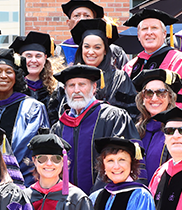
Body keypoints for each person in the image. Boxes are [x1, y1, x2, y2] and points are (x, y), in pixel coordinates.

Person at [51, 64, 137, 195]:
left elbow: (122, 162)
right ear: (65, 89)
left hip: (107, 198)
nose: (76, 90)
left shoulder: (114, 118)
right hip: (67, 204)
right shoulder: (59, 127)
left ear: (94, 88)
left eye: (82, 84)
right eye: (71, 85)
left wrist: (96, 197)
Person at [0, 47, 49, 185]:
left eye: (9, 72)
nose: (3, 76)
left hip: (23, 181)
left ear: (16, 77)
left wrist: (7, 171)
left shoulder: (32, 108)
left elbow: (28, 146)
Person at [133, 69, 182, 184]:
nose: (154, 98)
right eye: (148, 93)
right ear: (142, 99)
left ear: (170, 97)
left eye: (161, 93)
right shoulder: (135, 132)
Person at [122, 9, 182, 108]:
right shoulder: (130, 66)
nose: (149, 33)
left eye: (154, 28)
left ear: (164, 34)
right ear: (138, 36)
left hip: (168, 122)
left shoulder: (180, 61)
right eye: (144, 29)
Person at [70, 18, 138, 119]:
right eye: (87, 47)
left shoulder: (119, 79)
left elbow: (130, 115)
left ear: (105, 50)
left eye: (97, 47)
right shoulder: (69, 77)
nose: (91, 52)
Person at [57, 0, 128, 71]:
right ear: (68, 23)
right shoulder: (60, 50)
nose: (81, 19)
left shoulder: (114, 51)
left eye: (87, 16)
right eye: (76, 16)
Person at [11, 31, 59, 124]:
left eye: (38, 56)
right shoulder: (12, 87)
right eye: (28, 56)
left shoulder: (55, 89)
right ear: (20, 59)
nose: (33, 60)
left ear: (45, 58)